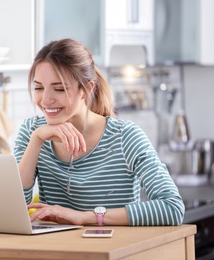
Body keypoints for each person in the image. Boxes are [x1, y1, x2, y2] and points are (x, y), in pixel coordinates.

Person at [13, 38, 184, 226]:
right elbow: (15, 208)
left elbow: (172, 208)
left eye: (59, 88)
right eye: (38, 88)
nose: (45, 100)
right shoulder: (33, 131)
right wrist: (36, 140)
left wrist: (86, 217)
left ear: (86, 89)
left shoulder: (125, 137)